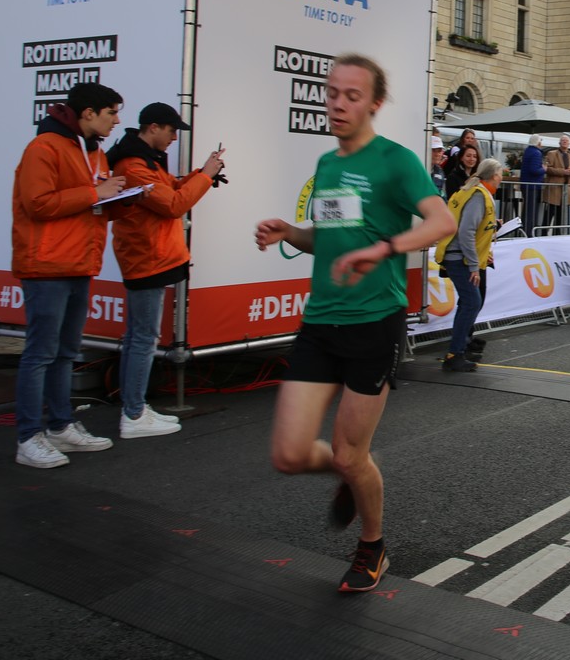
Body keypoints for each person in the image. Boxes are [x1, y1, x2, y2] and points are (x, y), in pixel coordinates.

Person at [254, 54, 456, 594]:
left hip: (374, 323)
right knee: (289, 455)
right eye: (332, 93)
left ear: (374, 103)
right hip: (321, 321)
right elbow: (328, 237)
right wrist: (290, 233)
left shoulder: (395, 161)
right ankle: (353, 468)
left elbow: (442, 221)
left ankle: (373, 546)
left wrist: (384, 248)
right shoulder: (327, 165)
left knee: (348, 451)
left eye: (351, 95)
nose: (338, 104)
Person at [12, 81, 127, 469]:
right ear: (88, 113)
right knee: (41, 354)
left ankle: (60, 426)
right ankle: (28, 437)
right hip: (47, 266)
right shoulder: (43, 147)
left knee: (64, 353)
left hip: (79, 263)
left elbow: (89, 205)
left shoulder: (95, 152)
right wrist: (97, 194)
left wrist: (123, 200)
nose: (116, 120)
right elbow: (37, 203)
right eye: (111, 112)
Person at [105, 102, 225, 439]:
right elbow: (174, 204)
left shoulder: (145, 160)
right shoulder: (135, 165)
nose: (174, 137)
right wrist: (205, 175)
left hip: (150, 257)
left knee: (139, 336)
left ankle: (135, 408)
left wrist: (203, 173)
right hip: (147, 259)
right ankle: (133, 413)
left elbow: (171, 188)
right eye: (171, 130)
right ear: (153, 127)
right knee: (143, 338)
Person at [434, 158, 502, 371]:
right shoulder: (479, 195)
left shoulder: (471, 192)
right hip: (459, 258)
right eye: (500, 174)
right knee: (472, 302)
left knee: (469, 302)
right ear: (494, 176)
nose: (501, 178)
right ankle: (455, 352)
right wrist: (474, 266)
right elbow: (466, 232)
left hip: (456, 255)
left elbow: (472, 228)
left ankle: (459, 348)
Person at [519, 135, 545, 237]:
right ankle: (529, 233)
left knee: (527, 211)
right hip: (533, 185)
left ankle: (524, 231)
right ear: (538, 143)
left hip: (526, 184)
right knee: (531, 212)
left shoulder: (527, 151)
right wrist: (544, 169)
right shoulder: (536, 153)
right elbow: (534, 170)